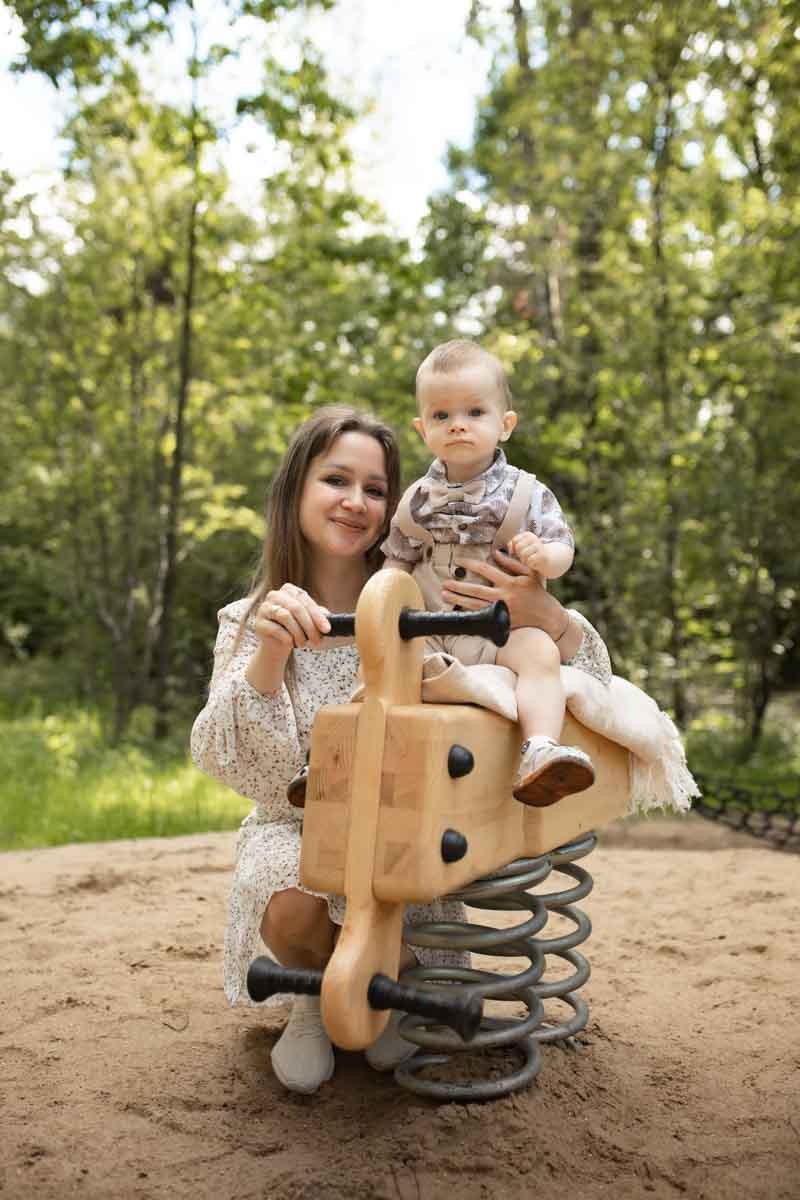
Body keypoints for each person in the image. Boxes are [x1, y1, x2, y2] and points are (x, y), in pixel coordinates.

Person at [191, 406, 473, 1096]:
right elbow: (249, 771)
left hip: (398, 830)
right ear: (296, 491)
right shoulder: (250, 619)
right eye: (336, 480)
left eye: (375, 489)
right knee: (293, 896)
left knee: (395, 894)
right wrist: (269, 652)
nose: (355, 502)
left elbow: (512, 669)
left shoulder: (422, 611)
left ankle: (387, 988)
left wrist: (543, 609)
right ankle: (314, 996)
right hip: (297, 825)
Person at [381, 338, 597, 807]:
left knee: (539, 651)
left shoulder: (527, 493)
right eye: (441, 416)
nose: (458, 424)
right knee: (378, 663)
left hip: (500, 630)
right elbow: (397, 558)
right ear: (422, 429)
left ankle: (540, 749)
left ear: (505, 424)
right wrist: (383, 602)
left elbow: (564, 550)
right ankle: (337, 752)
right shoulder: (416, 499)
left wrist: (543, 557)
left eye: (475, 412)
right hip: (430, 626)